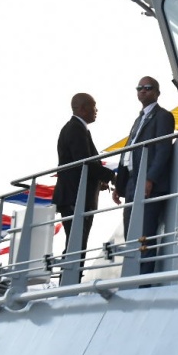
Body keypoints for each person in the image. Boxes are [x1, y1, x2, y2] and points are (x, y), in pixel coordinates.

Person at [113, 76, 174, 270]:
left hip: (148, 184)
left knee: (145, 235)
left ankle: (144, 283)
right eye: (139, 87)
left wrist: (150, 179)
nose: (143, 90)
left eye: (148, 87)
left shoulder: (164, 116)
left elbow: (164, 149)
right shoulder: (138, 120)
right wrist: (119, 184)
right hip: (131, 182)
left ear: (157, 92)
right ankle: (133, 280)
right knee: (130, 233)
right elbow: (128, 152)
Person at [51, 93, 115, 251]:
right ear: (83, 108)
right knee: (76, 246)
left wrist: (98, 181)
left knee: (76, 244)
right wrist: (111, 176)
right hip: (75, 198)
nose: (96, 110)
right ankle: (69, 276)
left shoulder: (77, 128)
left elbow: (80, 165)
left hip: (75, 196)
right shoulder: (75, 129)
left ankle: (70, 275)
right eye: (93, 106)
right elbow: (83, 162)